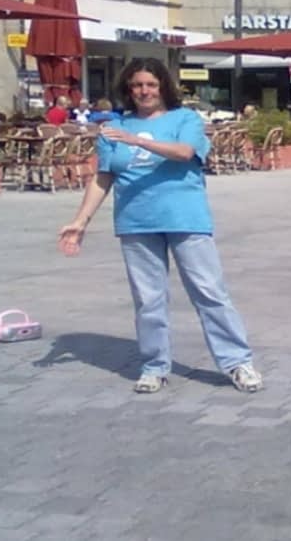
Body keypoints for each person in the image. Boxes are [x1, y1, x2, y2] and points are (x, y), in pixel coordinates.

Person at [57, 57, 262, 394]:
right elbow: (103, 177)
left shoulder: (185, 119)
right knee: (148, 299)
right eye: (137, 85)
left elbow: (184, 152)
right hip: (136, 221)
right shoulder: (113, 129)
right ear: (128, 89)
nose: (144, 91)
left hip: (186, 218)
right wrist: (80, 221)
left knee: (209, 292)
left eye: (151, 84)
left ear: (163, 87)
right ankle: (154, 365)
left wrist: (137, 140)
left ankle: (237, 362)